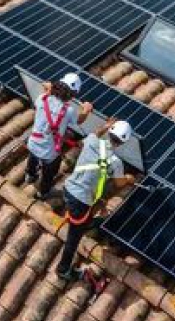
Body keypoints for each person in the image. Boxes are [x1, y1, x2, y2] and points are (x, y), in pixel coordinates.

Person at [56, 119, 136, 280]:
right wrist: (128, 178)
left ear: (109, 132)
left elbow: (95, 133)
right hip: (80, 201)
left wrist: (105, 126)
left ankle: (80, 218)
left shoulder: (91, 141)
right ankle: (63, 270)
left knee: (86, 211)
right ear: (123, 142)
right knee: (74, 238)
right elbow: (119, 183)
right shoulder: (116, 162)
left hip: (68, 189)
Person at [25, 72, 93, 199]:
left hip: (33, 142)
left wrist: (49, 89)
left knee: (33, 157)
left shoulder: (42, 98)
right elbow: (79, 120)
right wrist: (86, 110)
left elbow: (47, 98)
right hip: (48, 152)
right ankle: (44, 192)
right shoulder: (68, 111)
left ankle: (30, 176)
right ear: (73, 94)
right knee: (49, 172)